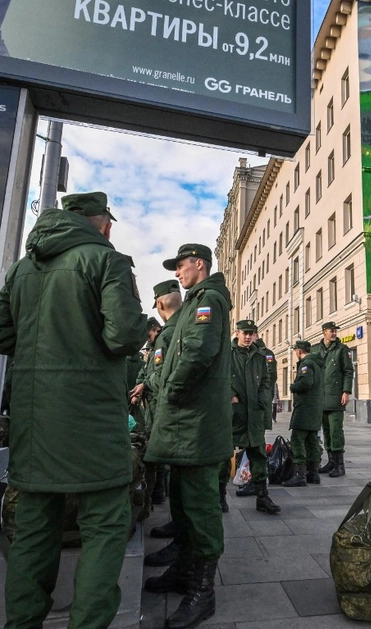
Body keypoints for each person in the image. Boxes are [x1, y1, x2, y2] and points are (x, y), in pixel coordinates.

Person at [0, 191, 146, 629]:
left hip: (35, 423)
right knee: (105, 526)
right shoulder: (106, 259)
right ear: (103, 223)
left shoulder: (23, 267)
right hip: (92, 419)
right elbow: (125, 337)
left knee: (34, 531)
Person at [143, 243, 232, 629]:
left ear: (199, 263)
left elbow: (197, 352)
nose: (178, 272)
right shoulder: (195, 300)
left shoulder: (209, 298)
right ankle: (183, 569)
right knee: (181, 499)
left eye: (181, 265)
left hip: (195, 424)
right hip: (183, 424)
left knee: (200, 509)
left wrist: (172, 393)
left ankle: (202, 592)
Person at [136, 280, 184, 564]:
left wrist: (148, 383)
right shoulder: (177, 329)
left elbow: (161, 376)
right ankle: (178, 530)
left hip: (169, 412)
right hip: (171, 412)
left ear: (160, 304)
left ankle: (183, 544)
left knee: (178, 476)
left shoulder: (166, 337)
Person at [219, 320, 280, 515]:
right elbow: (219, 376)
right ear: (237, 333)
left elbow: (265, 380)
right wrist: (229, 394)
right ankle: (220, 496)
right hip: (233, 411)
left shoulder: (260, 355)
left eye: (251, 333)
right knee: (224, 454)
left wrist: (263, 400)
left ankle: (262, 495)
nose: (248, 337)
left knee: (258, 452)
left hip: (254, 411)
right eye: (245, 333)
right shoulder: (226, 353)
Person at [313, 322, 354, 478]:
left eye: (335, 331)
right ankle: (330, 461)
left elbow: (348, 371)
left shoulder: (342, 350)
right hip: (321, 398)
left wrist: (346, 391)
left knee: (336, 430)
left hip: (336, 397)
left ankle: (340, 464)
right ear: (324, 332)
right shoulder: (315, 349)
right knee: (327, 431)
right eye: (331, 331)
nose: (334, 333)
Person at [282, 340, 325, 488]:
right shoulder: (318, 364)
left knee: (297, 439)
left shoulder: (307, 364)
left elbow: (306, 383)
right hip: (315, 408)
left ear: (299, 351)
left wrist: (293, 387)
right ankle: (313, 473)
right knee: (312, 440)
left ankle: (300, 474)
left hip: (305, 408)